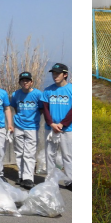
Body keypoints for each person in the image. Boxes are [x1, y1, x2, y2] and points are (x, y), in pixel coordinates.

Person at [10, 71, 43, 190]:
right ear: (20, 82)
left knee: (29, 153)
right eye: (23, 80)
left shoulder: (38, 94)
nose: (25, 82)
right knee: (19, 153)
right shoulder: (15, 94)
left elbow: (41, 109)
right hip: (18, 126)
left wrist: (32, 119)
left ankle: (28, 178)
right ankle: (21, 176)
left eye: (27, 80)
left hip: (32, 127)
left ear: (31, 82)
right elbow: (14, 106)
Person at [42, 63, 72, 191]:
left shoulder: (71, 89)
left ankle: (69, 180)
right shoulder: (48, 90)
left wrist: (62, 123)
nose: (55, 76)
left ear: (65, 74)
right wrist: (51, 123)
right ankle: (50, 180)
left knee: (68, 155)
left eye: (58, 74)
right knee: (50, 154)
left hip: (67, 129)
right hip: (51, 129)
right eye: (53, 73)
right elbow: (45, 108)